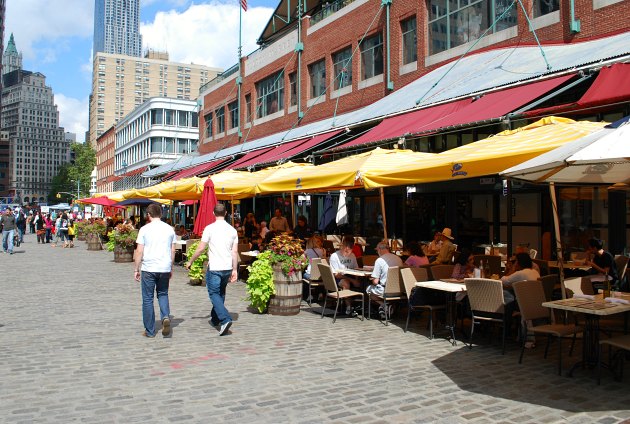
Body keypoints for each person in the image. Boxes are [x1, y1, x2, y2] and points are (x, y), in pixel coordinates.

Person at [186, 203, 238, 336]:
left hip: (215, 267)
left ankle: (225, 319)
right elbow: (235, 252)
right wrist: (235, 270)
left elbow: (201, 248)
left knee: (214, 293)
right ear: (226, 213)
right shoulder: (232, 230)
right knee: (221, 293)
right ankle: (215, 318)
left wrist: (191, 260)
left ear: (213, 214)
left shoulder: (209, 228)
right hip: (227, 267)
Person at [134, 203, 177, 338]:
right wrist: (170, 266)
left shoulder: (144, 229)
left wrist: (136, 268)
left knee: (147, 299)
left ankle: (150, 330)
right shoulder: (170, 229)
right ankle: (165, 316)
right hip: (164, 266)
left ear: (148, 215)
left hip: (149, 268)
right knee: (163, 294)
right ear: (161, 214)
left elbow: (139, 251)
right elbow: (173, 250)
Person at [367, 241, 404, 318]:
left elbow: (375, 282)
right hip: (400, 291)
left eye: (377, 250)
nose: (377, 252)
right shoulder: (398, 258)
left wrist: (371, 278)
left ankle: (384, 305)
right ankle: (389, 306)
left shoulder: (379, 260)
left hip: (386, 291)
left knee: (368, 289)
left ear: (380, 249)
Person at [329, 237, 360, 315]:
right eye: (346, 251)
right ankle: (348, 307)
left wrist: (356, 279)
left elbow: (356, 269)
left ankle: (363, 306)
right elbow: (336, 275)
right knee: (346, 283)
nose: (347, 253)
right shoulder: (334, 256)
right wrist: (353, 280)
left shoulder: (352, 255)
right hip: (338, 278)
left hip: (350, 275)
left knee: (365, 282)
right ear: (343, 247)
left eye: (349, 251)